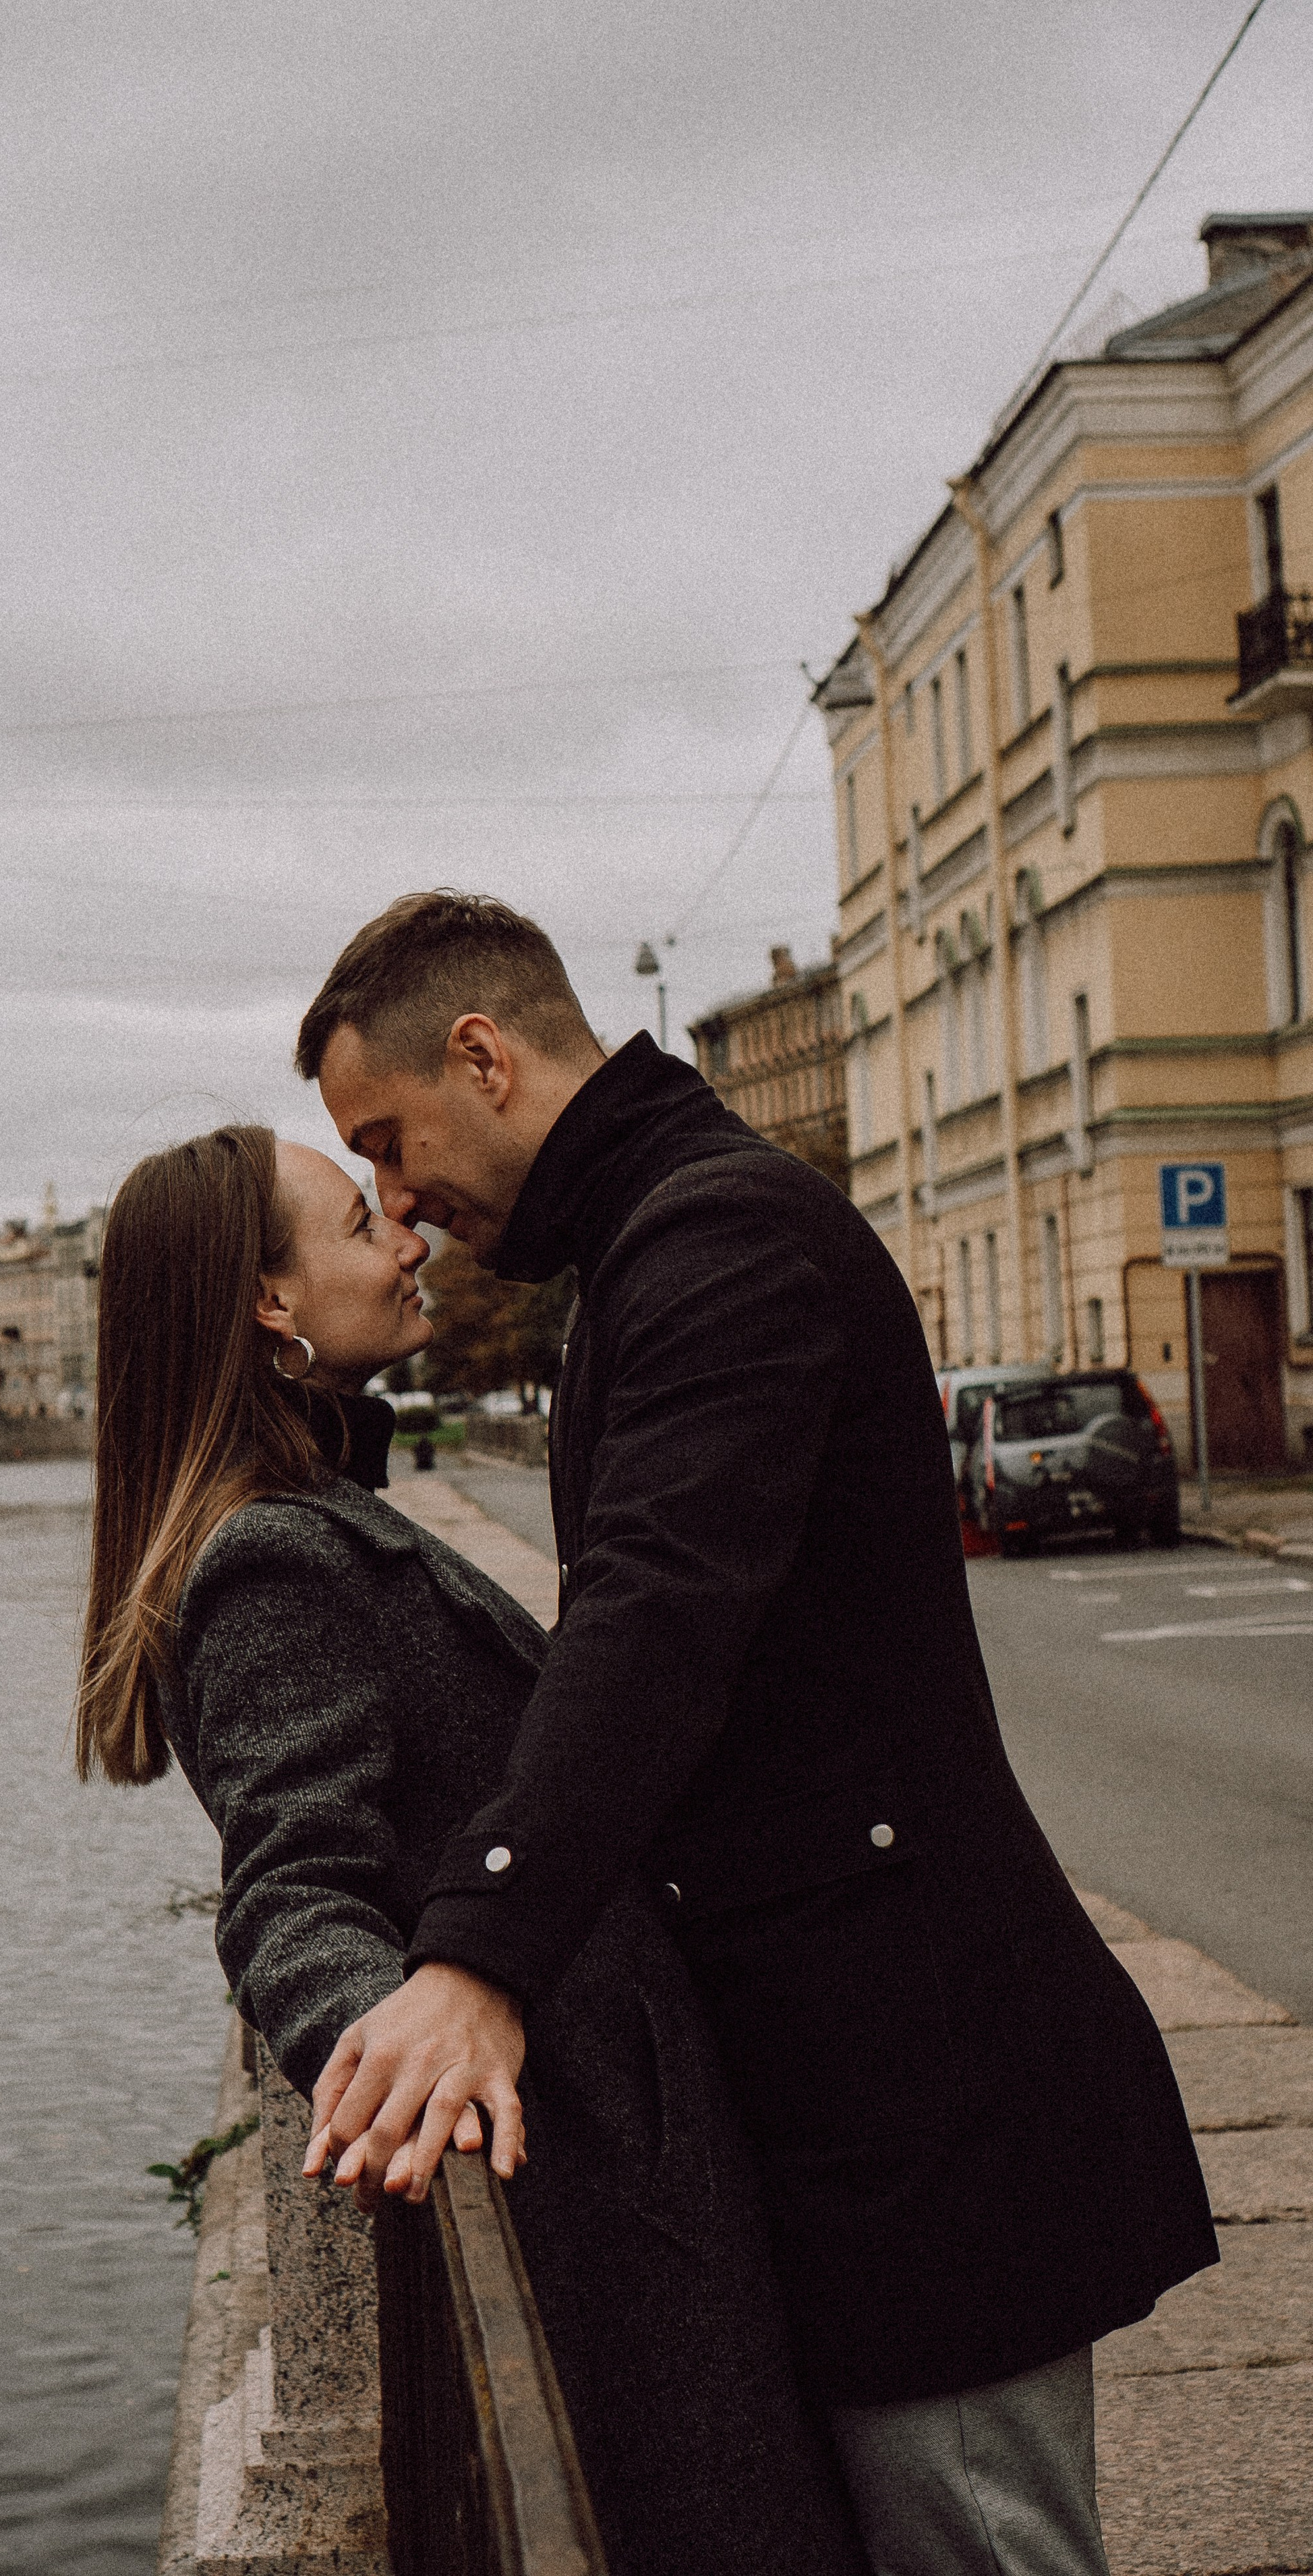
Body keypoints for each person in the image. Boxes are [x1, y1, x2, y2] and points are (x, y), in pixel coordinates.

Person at [293, 892, 1220, 2576]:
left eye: (387, 1138)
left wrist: (478, 1952)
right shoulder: (659, 1233)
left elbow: (657, 1611)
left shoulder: (717, 1237)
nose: (394, 1197)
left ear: (482, 1057)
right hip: (856, 2088)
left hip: (922, 2098)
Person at [76, 1124, 867, 2576]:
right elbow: (291, 1884)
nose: (405, 1234)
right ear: (269, 1302)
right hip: (583, 2177)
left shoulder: (315, 1516)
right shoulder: (271, 1562)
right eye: (354, 1219)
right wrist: (382, 2037)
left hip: (606, 2145)